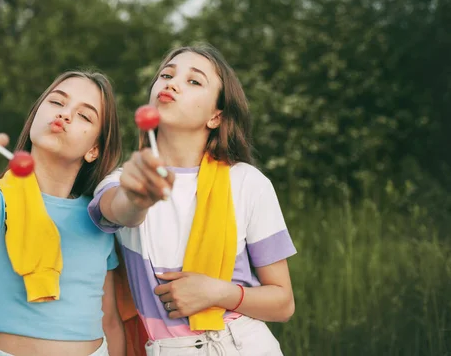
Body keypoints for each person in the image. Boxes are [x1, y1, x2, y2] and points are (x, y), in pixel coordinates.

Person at [89, 44, 297, 355]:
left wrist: (219, 292)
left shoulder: (247, 182)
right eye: (166, 75)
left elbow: (283, 304)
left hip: (245, 344)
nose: (171, 83)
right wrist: (137, 197)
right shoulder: (121, 181)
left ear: (216, 115)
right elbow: (122, 210)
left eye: (193, 81)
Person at [0, 71, 125, 356]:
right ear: (36, 115)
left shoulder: (99, 217)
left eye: (85, 116)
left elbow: (110, 322)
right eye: (57, 102)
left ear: (94, 149)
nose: (65, 115)